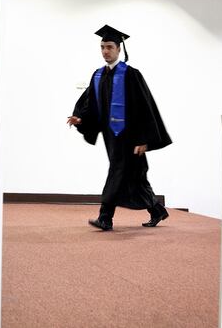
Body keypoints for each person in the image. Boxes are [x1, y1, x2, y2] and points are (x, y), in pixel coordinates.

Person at [67, 25, 172, 231]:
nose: (105, 51)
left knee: (117, 171)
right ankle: (157, 210)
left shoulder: (131, 75)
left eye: (109, 47)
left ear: (119, 49)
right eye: (102, 47)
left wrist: (144, 139)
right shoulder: (98, 75)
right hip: (111, 136)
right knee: (134, 176)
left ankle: (105, 217)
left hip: (131, 137)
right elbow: (91, 104)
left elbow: (145, 108)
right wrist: (81, 118)